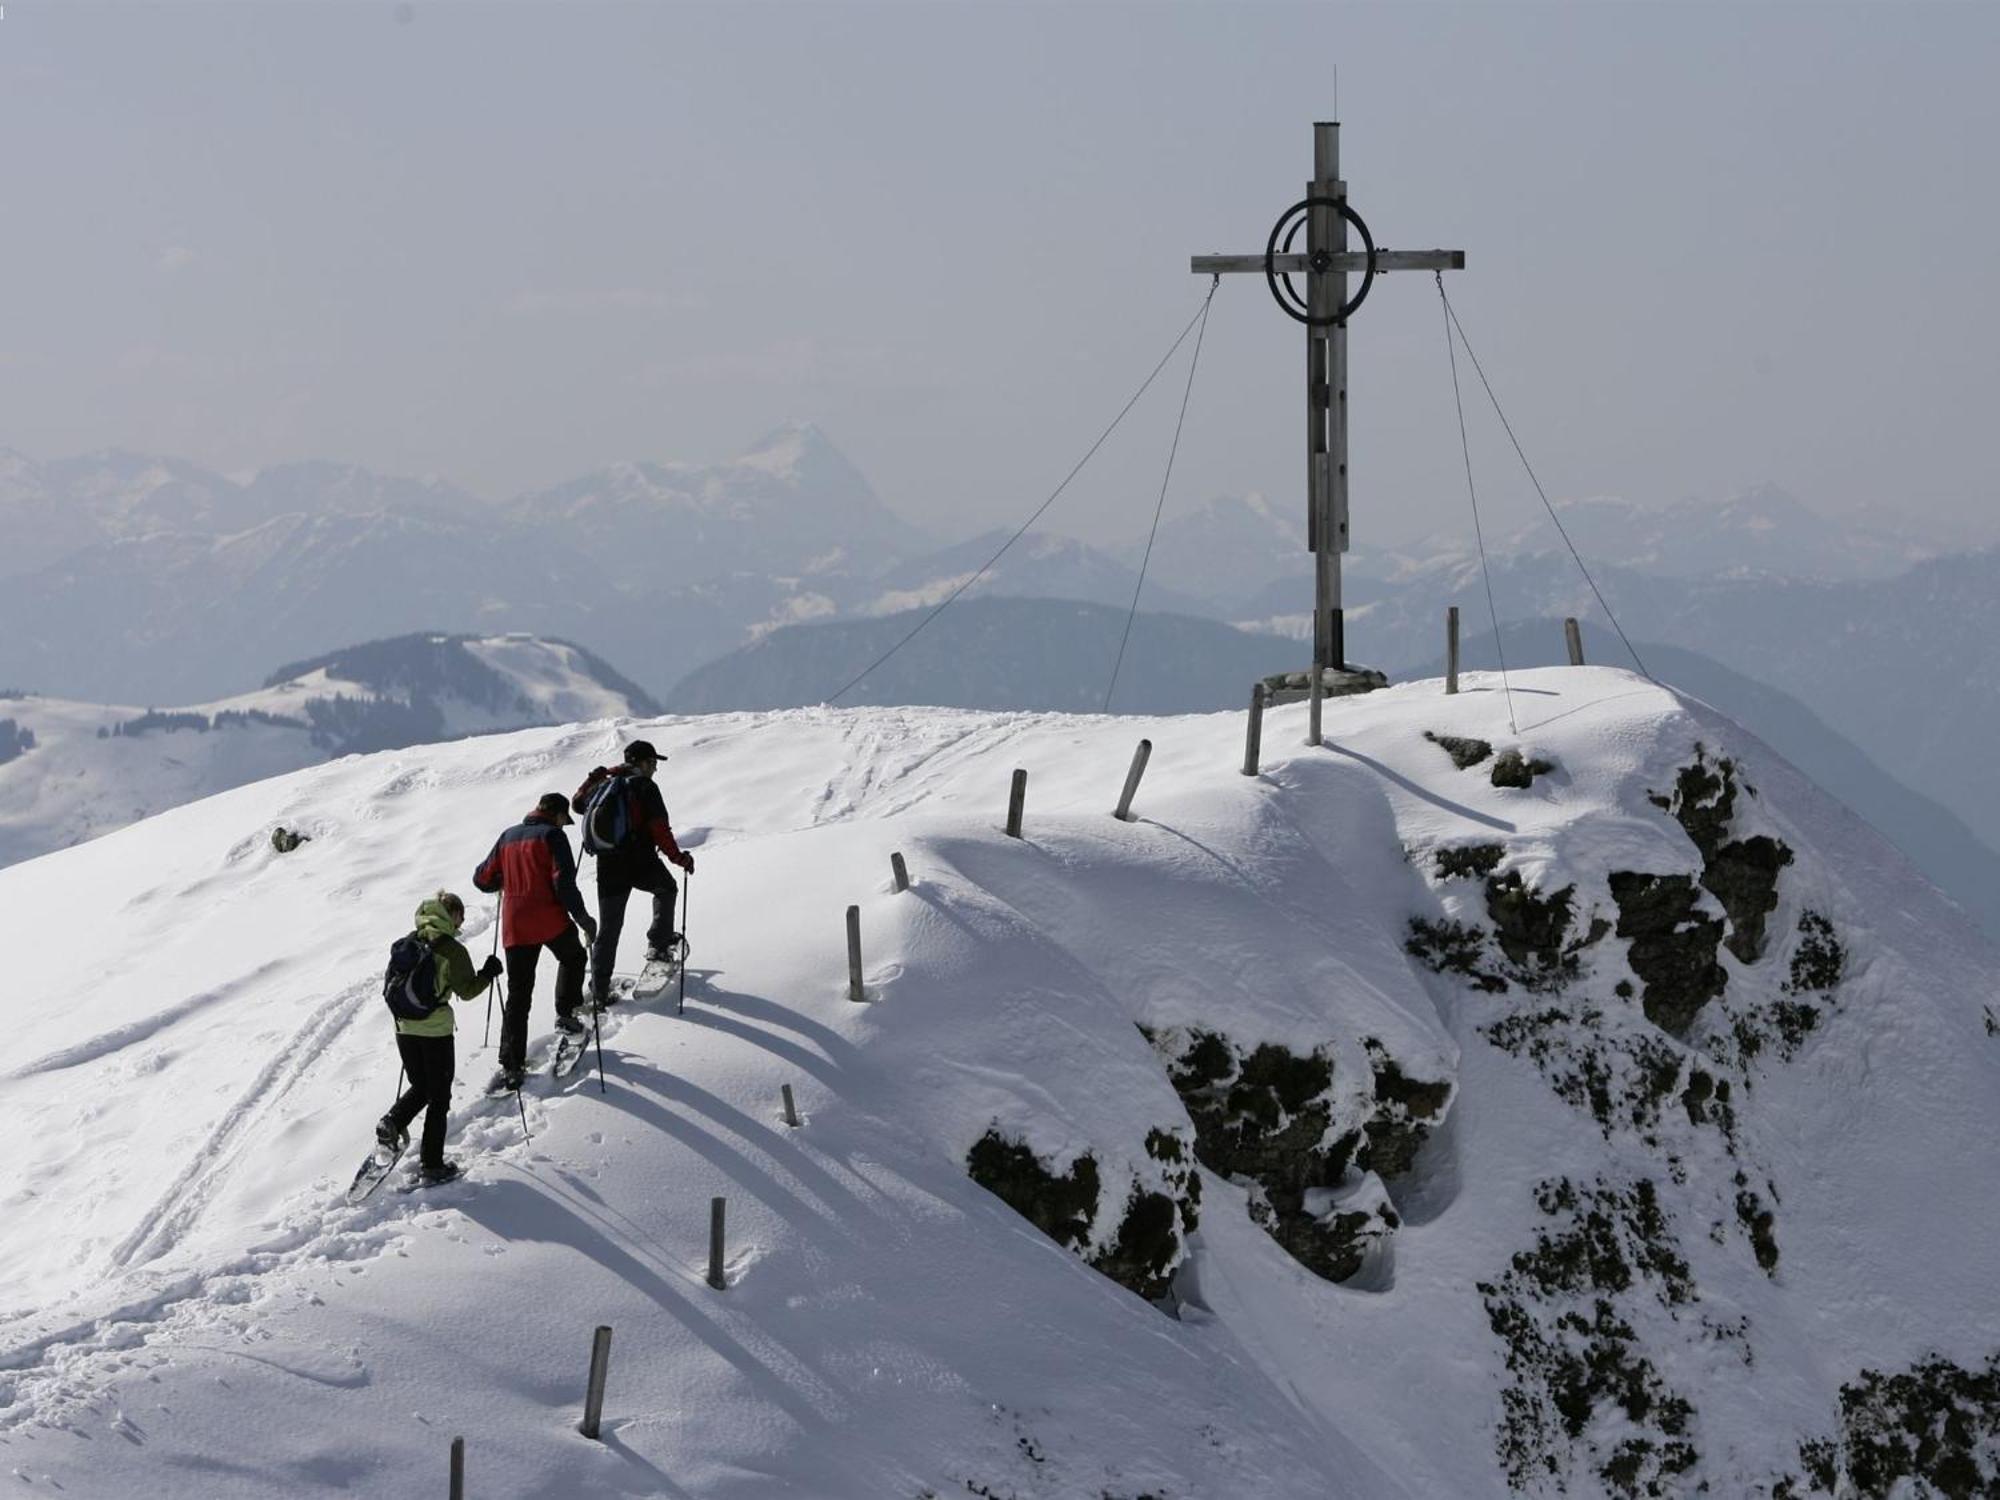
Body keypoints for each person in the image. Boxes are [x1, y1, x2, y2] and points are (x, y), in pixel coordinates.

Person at [472, 792, 598, 1091]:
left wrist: (504, 879)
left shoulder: (507, 837)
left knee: (518, 996)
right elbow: (563, 883)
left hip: (515, 925)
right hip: (549, 917)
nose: (563, 825)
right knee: (573, 957)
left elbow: (481, 879)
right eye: (563, 820)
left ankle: (512, 1065)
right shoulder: (552, 836)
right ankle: (566, 1015)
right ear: (556, 815)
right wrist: (583, 919)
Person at [377, 890, 504, 1186]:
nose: (462, 923)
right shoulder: (451, 950)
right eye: (461, 917)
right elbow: (468, 991)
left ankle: (392, 1122)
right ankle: (432, 1164)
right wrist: (488, 973)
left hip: (404, 1028)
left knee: (421, 1085)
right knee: (439, 1097)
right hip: (435, 1031)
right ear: (453, 915)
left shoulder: (410, 940)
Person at [571, 738, 695, 1006]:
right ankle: (660, 946)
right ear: (641, 762)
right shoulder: (645, 786)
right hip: (639, 859)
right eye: (652, 762)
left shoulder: (604, 784)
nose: (654, 768)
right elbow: (659, 828)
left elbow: (578, 805)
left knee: (609, 928)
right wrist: (679, 858)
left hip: (607, 865)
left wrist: (592, 778)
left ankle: (600, 990)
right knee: (666, 888)